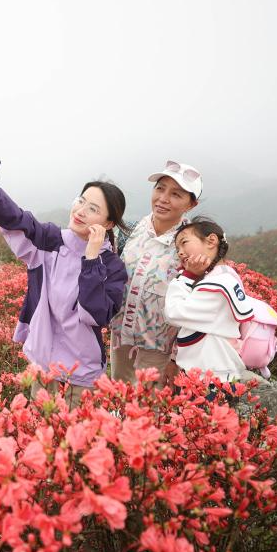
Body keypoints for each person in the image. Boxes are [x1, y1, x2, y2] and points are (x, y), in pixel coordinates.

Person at [0, 150, 130, 405]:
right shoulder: (51, 241)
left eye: (93, 209)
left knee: (75, 443)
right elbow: (20, 221)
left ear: (108, 224)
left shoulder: (112, 266)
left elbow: (94, 315)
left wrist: (91, 259)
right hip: (44, 364)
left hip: (80, 374)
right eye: (81, 200)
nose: (81, 211)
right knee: (40, 437)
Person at [110, 160, 202, 386]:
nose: (163, 198)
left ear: (191, 204)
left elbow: (197, 305)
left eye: (176, 194)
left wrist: (176, 357)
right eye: (160, 188)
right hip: (121, 339)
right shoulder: (131, 231)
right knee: (118, 402)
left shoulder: (191, 245)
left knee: (148, 413)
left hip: (159, 350)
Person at [164, 216, 253, 386]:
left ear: (211, 241)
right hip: (216, 375)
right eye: (177, 249)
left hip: (209, 380)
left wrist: (187, 276)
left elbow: (173, 312)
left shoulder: (217, 284)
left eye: (184, 242)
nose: (180, 252)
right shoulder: (226, 276)